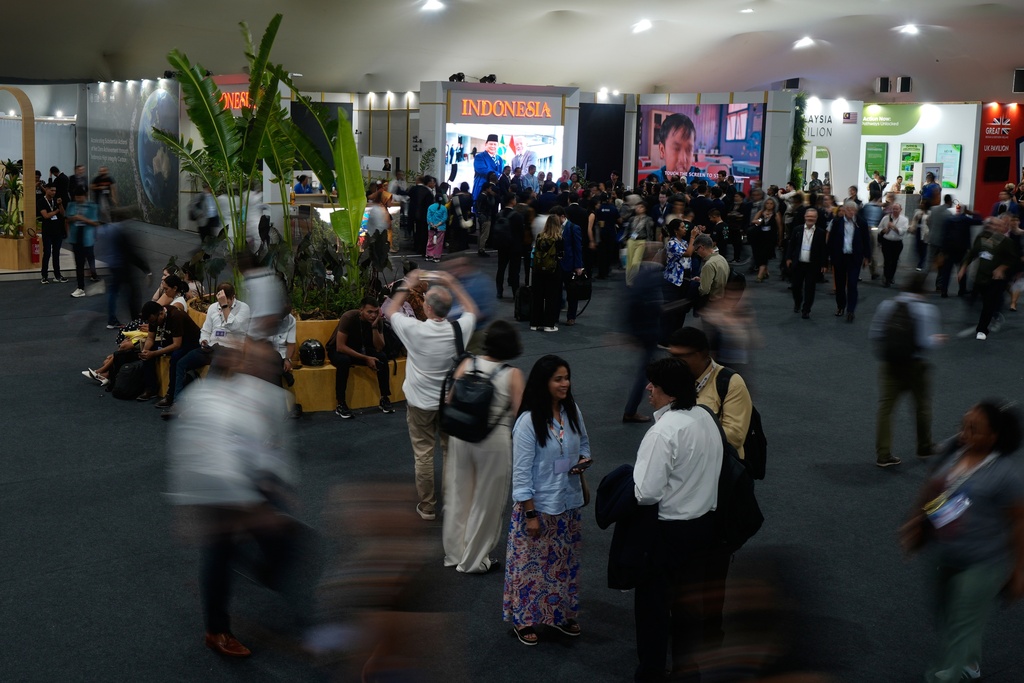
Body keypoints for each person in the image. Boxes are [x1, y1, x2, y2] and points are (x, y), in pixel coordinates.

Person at [167, 338, 306, 659]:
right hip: (220, 491)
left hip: (254, 484)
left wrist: (279, 484)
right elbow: (199, 453)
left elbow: (275, 446)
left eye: (259, 362)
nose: (249, 364)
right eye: (247, 359)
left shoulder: (271, 397)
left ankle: (254, 564)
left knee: (283, 545)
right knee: (219, 551)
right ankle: (216, 631)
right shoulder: (208, 397)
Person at [900, 402, 1024, 683]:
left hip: (984, 565)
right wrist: (915, 523)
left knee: (961, 627)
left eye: (973, 429)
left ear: (993, 437)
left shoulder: (1005, 475)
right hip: (948, 555)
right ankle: (970, 664)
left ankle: (944, 676)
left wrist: (1018, 571)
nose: (964, 434)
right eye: (963, 426)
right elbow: (936, 491)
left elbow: (1019, 523)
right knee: (945, 615)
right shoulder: (955, 453)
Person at [631, 357, 724, 681]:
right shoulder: (706, 417)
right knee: (688, 604)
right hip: (704, 526)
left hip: (668, 531)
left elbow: (646, 493)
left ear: (668, 392)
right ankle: (688, 669)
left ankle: (652, 672)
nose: (647, 389)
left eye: (652, 384)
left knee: (653, 608)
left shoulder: (664, 432)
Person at [503, 355, 591, 646]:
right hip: (538, 507)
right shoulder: (528, 423)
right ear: (544, 382)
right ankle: (524, 620)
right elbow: (522, 473)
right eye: (559, 379)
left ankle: (560, 614)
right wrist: (530, 514)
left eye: (567, 377)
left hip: (568, 503)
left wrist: (580, 462)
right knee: (531, 567)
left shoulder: (572, 411)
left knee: (563, 565)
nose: (566, 384)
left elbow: (584, 446)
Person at [384, 270, 478, 521]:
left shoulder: (413, 329)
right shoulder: (460, 329)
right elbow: (472, 310)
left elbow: (390, 310)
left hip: (419, 404)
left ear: (426, 307)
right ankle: (451, 503)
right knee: (450, 453)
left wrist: (408, 284)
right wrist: (453, 283)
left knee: (423, 454)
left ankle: (427, 506)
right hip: (450, 403)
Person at [442, 321, 525, 574]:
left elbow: (449, 399)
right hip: (493, 441)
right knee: (487, 501)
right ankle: (475, 560)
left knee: (458, 494)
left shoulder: (468, 363)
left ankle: (455, 553)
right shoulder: (513, 374)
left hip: (461, 436)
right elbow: (520, 415)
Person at [869, 274, 945, 467]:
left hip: (889, 365)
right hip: (914, 367)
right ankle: (924, 446)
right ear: (924, 290)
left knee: (886, 409)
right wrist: (938, 339)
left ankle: (883, 454)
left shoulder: (887, 305)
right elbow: (924, 342)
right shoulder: (927, 310)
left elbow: (876, 333)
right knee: (922, 407)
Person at [160, 282, 249, 410]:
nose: (221, 303)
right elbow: (206, 330)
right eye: (219, 301)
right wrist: (204, 340)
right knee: (180, 363)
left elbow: (235, 327)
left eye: (225, 301)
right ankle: (177, 402)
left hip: (230, 350)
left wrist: (225, 307)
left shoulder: (243, 308)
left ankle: (204, 408)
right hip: (211, 347)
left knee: (216, 363)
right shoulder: (213, 307)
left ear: (233, 297)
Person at [329, 296, 396, 419]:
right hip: (339, 350)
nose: (373, 315)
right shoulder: (348, 317)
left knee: (382, 357)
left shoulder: (377, 321)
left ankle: (384, 398)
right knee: (344, 361)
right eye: (369, 312)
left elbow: (379, 347)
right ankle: (341, 403)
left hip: (360, 348)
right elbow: (340, 346)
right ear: (361, 310)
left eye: (376, 312)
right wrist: (366, 358)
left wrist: (375, 327)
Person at [959, 216, 1020, 340]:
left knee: (988, 304)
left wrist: (1001, 268)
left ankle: (982, 330)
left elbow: (1013, 259)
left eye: (998, 226)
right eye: (993, 225)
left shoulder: (1007, 242)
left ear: (1003, 228)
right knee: (978, 299)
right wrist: (963, 267)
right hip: (980, 276)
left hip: (995, 280)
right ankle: (993, 314)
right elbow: (972, 253)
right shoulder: (981, 237)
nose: (995, 227)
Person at [137, 300, 202, 403]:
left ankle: (171, 394)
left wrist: (153, 353)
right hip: (171, 341)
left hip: (190, 344)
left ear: (162, 314)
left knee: (175, 358)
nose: (153, 324)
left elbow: (177, 345)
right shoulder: (154, 318)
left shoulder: (176, 316)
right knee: (147, 353)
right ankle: (151, 388)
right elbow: (150, 338)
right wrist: (146, 351)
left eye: (154, 322)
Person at [829, 200, 872, 322]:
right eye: (848, 210)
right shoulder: (837, 222)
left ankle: (851, 310)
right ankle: (840, 306)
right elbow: (831, 240)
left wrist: (867, 257)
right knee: (840, 284)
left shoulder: (861, 223)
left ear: (856, 211)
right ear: (844, 210)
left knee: (852, 284)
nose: (850, 212)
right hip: (840, 257)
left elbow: (866, 241)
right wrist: (830, 257)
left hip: (854, 258)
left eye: (853, 210)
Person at [785, 207, 828, 318]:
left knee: (810, 288)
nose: (810, 218)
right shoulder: (797, 230)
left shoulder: (821, 232)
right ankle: (798, 303)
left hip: (812, 265)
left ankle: (806, 310)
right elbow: (791, 245)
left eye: (813, 217)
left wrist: (824, 264)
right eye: (808, 216)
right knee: (796, 287)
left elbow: (824, 249)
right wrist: (788, 258)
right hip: (798, 263)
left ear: (816, 218)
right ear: (804, 217)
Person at [529, 214, 564, 332]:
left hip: (538, 269)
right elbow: (561, 255)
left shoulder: (539, 237)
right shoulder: (559, 239)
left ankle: (535, 323)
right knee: (551, 297)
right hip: (553, 270)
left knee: (537, 296)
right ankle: (549, 324)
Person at [66, 187, 101, 296]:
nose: (78, 199)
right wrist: (73, 219)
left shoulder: (92, 206)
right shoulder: (71, 205)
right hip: (76, 238)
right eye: (76, 197)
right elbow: (67, 219)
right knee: (79, 264)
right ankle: (80, 287)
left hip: (88, 238)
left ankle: (95, 278)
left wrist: (82, 219)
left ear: (85, 196)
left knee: (90, 261)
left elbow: (96, 223)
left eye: (80, 197)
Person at [650, 114, 697, 183]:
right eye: (676, 149)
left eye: (689, 150)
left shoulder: (698, 177)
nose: (683, 160)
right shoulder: (653, 180)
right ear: (662, 150)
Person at [494, 193, 524, 299]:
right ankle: (515, 292)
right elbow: (521, 233)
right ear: (512, 200)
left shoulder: (499, 214)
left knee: (501, 268)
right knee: (514, 271)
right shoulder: (517, 216)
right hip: (515, 247)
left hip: (502, 246)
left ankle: (499, 291)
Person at [38, 183, 67, 284]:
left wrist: (60, 205)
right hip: (47, 232)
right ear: (46, 189)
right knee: (47, 253)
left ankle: (57, 275)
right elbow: (45, 215)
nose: (54, 192)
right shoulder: (41, 201)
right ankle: (44, 276)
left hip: (57, 231)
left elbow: (63, 214)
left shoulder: (56, 201)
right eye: (52, 190)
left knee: (56, 254)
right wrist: (56, 211)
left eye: (55, 191)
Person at [751, 196, 783, 282]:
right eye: (767, 203)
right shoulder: (761, 212)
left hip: (770, 238)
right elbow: (753, 221)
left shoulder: (776, 214)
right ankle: (765, 272)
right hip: (759, 237)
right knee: (758, 255)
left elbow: (780, 227)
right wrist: (759, 221)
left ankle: (759, 276)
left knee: (764, 255)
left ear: (774, 205)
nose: (769, 205)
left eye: (771, 204)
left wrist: (780, 239)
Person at [693, 234, 729, 306]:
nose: (697, 253)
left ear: (701, 247)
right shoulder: (721, 258)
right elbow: (718, 279)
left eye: (696, 250)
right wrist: (703, 279)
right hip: (722, 300)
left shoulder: (708, 265)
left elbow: (704, 290)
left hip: (712, 303)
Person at [877, 202, 908, 287]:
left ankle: (891, 277)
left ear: (900, 210)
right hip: (887, 242)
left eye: (896, 209)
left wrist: (893, 227)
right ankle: (887, 278)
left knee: (894, 261)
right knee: (887, 261)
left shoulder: (904, 219)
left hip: (897, 243)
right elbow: (879, 228)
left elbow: (902, 232)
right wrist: (883, 230)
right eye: (893, 209)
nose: (894, 210)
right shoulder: (885, 218)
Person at [472, 134, 503, 201]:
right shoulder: (479, 157)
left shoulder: (500, 159)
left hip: (495, 190)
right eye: (491, 144)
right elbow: (482, 169)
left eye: (495, 144)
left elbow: (501, 172)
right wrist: (498, 175)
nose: (493, 146)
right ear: (486, 144)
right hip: (482, 188)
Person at [473, 181, 496, 257]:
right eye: (490, 188)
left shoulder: (480, 196)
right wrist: (492, 196)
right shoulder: (485, 197)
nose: (491, 190)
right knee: (485, 234)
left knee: (482, 233)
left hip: (481, 216)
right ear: (486, 189)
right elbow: (491, 205)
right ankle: (481, 249)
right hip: (486, 217)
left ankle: (481, 248)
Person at [426, 193, 447, 263]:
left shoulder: (430, 207)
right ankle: (436, 256)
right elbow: (444, 218)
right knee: (439, 242)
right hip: (441, 228)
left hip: (431, 227)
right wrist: (438, 225)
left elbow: (428, 217)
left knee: (430, 241)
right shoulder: (444, 208)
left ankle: (429, 255)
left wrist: (432, 224)